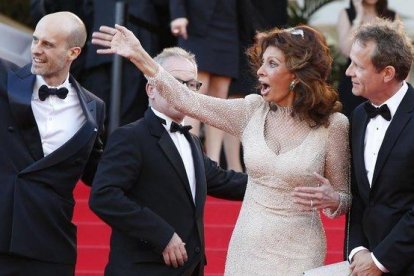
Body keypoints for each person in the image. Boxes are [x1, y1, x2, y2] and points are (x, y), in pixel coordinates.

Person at [92, 23, 351, 275]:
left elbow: (344, 198)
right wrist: (140, 56)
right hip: (248, 245)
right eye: (262, 62)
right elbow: (187, 99)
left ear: (296, 75)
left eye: (272, 64)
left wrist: (334, 199)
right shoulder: (250, 110)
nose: (259, 71)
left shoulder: (334, 126)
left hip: (301, 248)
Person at [89, 47, 247, 275]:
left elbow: (224, 180)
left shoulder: (192, 141)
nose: (183, 91)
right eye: (175, 81)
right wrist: (162, 235)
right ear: (151, 89)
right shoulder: (131, 137)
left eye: (192, 84)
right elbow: (104, 196)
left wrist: (284, 182)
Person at [0, 12, 105, 275]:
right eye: (35, 40)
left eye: (47, 44)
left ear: (73, 52)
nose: (35, 50)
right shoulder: (4, 78)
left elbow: (100, 172)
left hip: (50, 239)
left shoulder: (94, 109)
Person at [345, 19, 414, 275]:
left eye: (358, 66)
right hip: (363, 265)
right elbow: (359, 197)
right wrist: (358, 250)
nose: (348, 72)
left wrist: (381, 260)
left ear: (387, 73)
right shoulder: (358, 117)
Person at [169, 0, 239, 165]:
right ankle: (189, 158)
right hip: (195, 24)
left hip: (229, 25)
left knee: (220, 96)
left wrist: (253, 29)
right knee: (196, 93)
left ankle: (213, 163)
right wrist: (178, 14)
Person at [337, 0, 397, 117]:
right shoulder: (347, 14)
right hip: (354, 84)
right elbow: (346, 50)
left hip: (384, 82)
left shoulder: (391, 15)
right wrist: (359, 15)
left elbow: (399, 54)